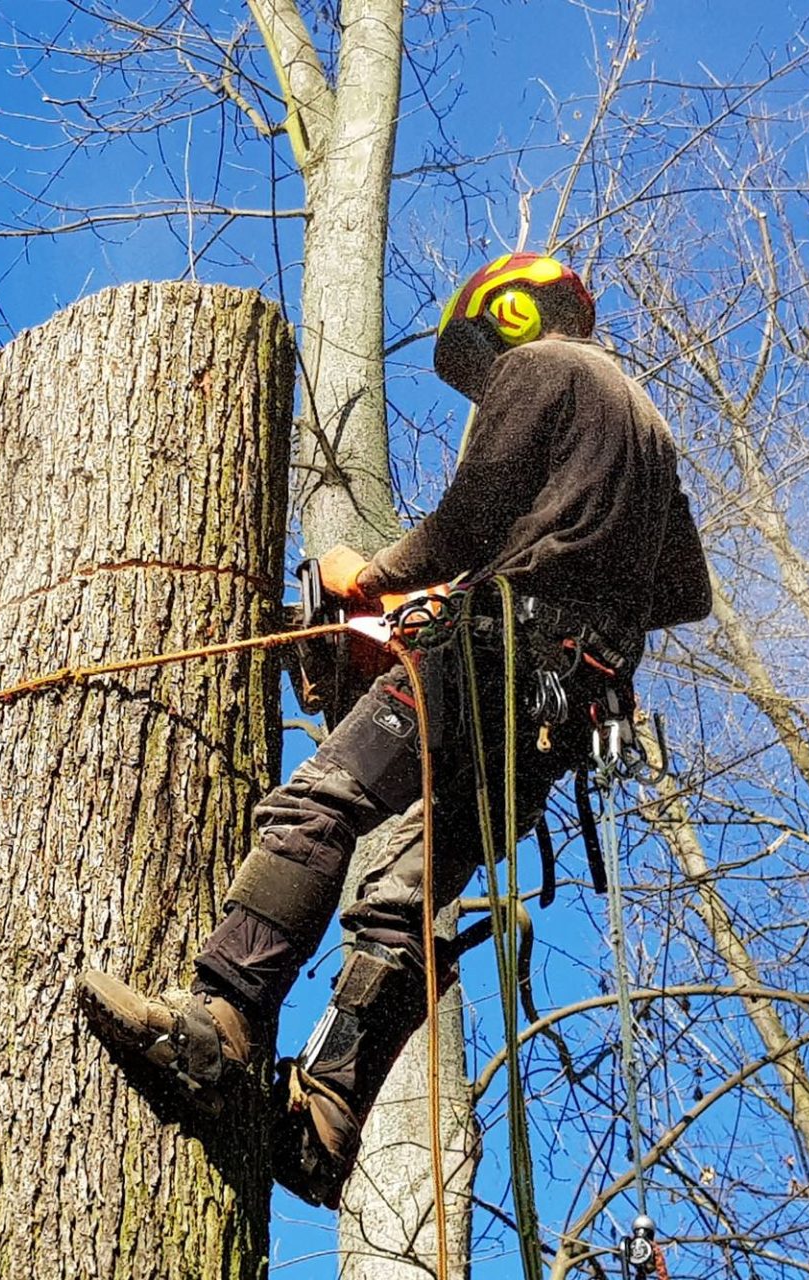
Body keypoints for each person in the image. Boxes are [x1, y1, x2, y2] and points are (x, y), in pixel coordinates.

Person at [75, 252, 714, 1208]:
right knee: (403, 902)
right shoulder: (651, 432)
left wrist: (373, 577)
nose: (481, 377)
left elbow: (471, 513)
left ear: (509, 313)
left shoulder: (545, 369)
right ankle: (325, 1123)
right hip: (564, 716)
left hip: (491, 660)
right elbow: (687, 594)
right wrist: (569, 575)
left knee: (320, 803)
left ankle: (220, 1016)